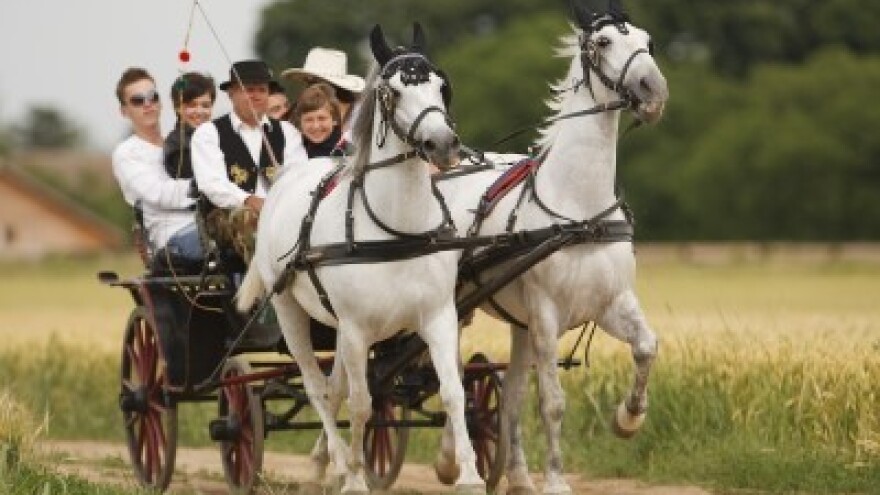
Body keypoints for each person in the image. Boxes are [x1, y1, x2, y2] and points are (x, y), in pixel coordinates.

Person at [191, 59, 308, 261]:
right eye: (248, 90)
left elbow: (300, 176)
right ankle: (264, 284)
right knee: (250, 219)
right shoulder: (209, 133)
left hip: (280, 212)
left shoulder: (287, 132)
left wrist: (278, 205)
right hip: (227, 215)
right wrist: (248, 200)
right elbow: (212, 184)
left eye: (262, 90)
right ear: (232, 94)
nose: (255, 96)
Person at [111, 67, 202, 263]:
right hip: (173, 236)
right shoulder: (127, 153)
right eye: (138, 100)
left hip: (209, 225)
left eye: (153, 97)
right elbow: (159, 193)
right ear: (124, 111)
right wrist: (205, 184)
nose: (148, 104)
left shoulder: (180, 142)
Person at [281, 47, 365, 131]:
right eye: (308, 81)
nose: (310, 88)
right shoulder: (297, 113)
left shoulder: (359, 115)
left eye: (314, 82)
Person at [164, 72, 216, 180]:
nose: (199, 111)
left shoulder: (218, 136)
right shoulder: (177, 143)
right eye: (192, 105)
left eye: (205, 105)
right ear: (177, 107)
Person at [291, 83, 344, 158]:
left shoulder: (345, 150)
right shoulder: (294, 148)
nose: (315, 126)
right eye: (308, 120)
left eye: (322, 118)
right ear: (300, 122)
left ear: (335, 119)